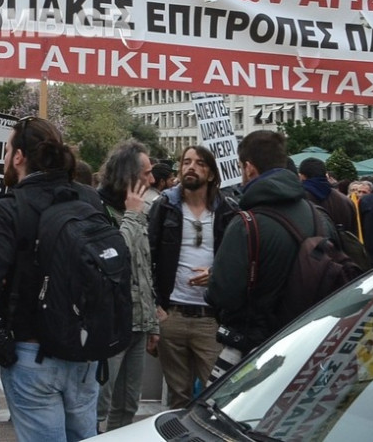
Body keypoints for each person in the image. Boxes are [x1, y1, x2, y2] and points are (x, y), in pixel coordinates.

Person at [0, 116, 104, 442]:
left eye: (7, 150)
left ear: (19, 156)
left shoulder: (11, 206)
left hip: (31, 352)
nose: (5, 158)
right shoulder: (88, 199)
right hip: (85, 349)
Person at [208, 130, 339, 355]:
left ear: (249, 168)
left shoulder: (246, 224)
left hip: (256, 349)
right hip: (309, 341)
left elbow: (221, 294)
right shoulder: (318, 215)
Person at [147, 144, 237, 408]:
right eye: (186, 162)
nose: (191, 167)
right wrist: (155, 309)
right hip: (171, 315)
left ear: (210, 174)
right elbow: (148, 257)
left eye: (199, 163)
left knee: (217, 397)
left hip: (210, 318)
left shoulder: (227, 210)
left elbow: (237, 261)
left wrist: (216, 274)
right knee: (177, 398)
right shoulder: (164, 206)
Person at [96, 139, 160, 432]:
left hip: (138, 325)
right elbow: (116, 258)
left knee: (128, 404)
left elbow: (144, 270)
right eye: (146, 173)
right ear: (128, 175)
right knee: (100, 403)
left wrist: (152, 324)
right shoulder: (99, 210)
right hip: (112, 325)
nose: (152, 179)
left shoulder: (137, 211)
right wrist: (133, 215)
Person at [298, 156, 357, 233]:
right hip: (340, 244)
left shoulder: (298, 199)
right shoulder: (346, 201)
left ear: (302, 176)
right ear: (326, 175)